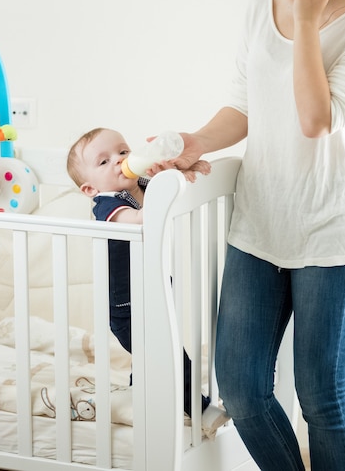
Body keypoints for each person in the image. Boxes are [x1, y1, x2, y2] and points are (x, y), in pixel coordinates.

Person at [150, 0, 345, 471]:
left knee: (320, 397)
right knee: (240, 387)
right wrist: (192, 142)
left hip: (334, 237)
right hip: (259, 225)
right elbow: (243, 105)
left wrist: (309, 21)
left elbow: (317, 119)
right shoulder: (260, 5)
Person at [66, 127, 228, 436]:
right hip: (127, 310)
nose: (119, 160)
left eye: (123, 151)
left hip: (154, 294)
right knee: (169, 356)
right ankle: (202, 409)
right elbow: (140, 219)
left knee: (151, 354)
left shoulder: (141, 183)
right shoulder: (107, 207)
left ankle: (137, 393)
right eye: (103, 162)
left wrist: (182, 169)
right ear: (89, 189)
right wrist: (166, 187)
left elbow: (167, 183)